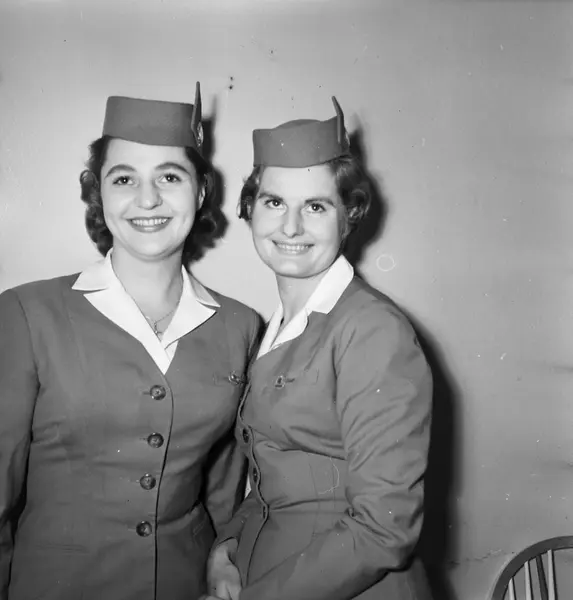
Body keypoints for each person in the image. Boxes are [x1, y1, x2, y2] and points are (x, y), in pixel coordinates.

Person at [0, 83, 262, 600]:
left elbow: (225, 487)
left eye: (170, 176)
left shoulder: (240, 326)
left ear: (201, 192)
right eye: (124, 178)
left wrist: (226, 554)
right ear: (99, 194)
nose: (147, 199)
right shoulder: (26, 313)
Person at [206, 97, 433, 600]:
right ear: (249, 209)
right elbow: (273, 476)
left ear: (349, 215)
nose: (290, 227)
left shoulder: (372, 330)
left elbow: (384, 528)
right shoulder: (278, 327)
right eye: (274, 203)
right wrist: (227, 546)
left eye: (315, 206)